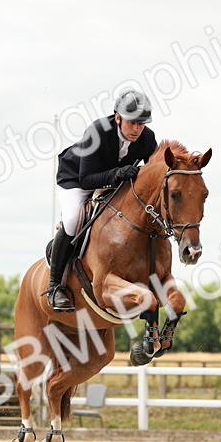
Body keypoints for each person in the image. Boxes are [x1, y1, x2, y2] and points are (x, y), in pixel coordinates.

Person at [47, 89, 158, 311]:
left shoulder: (147, 138)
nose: (137, 129)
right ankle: (54, 287)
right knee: (72, 219)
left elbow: (153, 171)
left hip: (113, 181)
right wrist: (117, 173)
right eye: (132, 123)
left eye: (141, 124)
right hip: (76, 180)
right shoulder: (97, 131)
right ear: (117, 117)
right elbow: (86, 179)